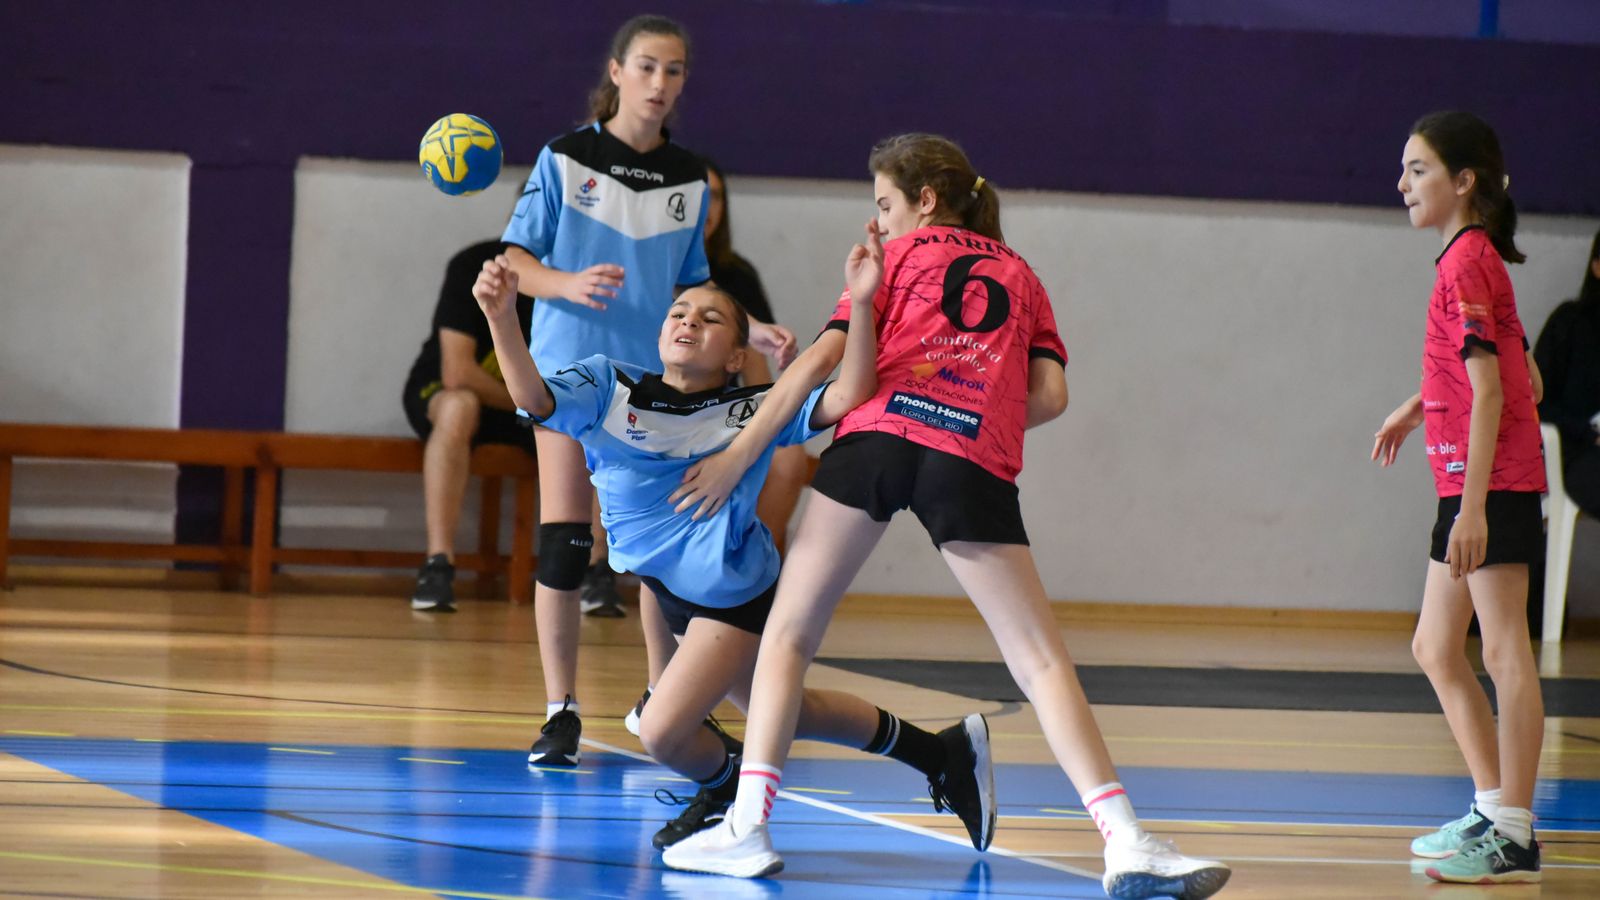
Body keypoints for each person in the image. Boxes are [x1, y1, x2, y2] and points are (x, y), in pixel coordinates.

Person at [662, 134, 1230, 899]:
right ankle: (1126, 841)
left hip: (877, 441)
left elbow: (813, 369)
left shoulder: (892, 263)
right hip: (969, 455)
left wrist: (738, 456)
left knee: (790, 637)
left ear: (925, 201)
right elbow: (1052, 397)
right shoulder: (1023, 274)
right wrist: (976, 411)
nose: (881, 221)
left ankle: (748, 829)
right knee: (1039, 661)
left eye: (885, 205)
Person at [472, 249, 995, 854]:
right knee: (792, 713)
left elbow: (851, 391)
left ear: (737, 355)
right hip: (668, 593)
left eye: (711, 319)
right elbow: (535, 399)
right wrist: (503, 317)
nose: (688, 321)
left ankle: (728, 790)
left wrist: (865, 301)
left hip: (732, 598)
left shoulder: (754, 410)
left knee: (664, 733)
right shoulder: (605, 385)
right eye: (679, 311)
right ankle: (943, 754)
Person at [497, 15, 796, 765]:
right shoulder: (566, 159)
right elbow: (513, 261)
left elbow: (694, 279)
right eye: (648, 68)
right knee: (566, 542)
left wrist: (751, 329)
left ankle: (662, 696)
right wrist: (565, 283)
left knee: (659, 557)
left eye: (675, 71)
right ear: (617, 72)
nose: (661, 84)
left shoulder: (689, 176)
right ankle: (560, 709)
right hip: (571, 372)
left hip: (654, 387)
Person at [1371, 111, 1546, 884]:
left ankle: (1514, 830)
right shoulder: (1467, 262)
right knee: (1435, 648)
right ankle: (1488, 804)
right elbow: (1522, 374)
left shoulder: (1467, 263)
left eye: (1418, 169)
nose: (1402, 184)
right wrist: (1421, 403)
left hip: (1490, 489)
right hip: (1464, 483)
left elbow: (1495, 392)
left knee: (1505, 651)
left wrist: (1473, 508)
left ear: (1463, 180)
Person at [401, 239, 535, 612]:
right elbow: (457, 372)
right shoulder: (476, 265)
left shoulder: (577, 276)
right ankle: (438, 564)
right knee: (459, 407)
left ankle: (595, 570)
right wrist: (534, 404)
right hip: (456, 390)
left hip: (529, 404)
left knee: (592, 421)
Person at [702, 155, 811, 558]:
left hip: (724, 413)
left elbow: (755, 366)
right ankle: (600, 570)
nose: (706, 207)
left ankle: (751, 565)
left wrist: (768, 422)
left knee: (787, 458)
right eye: (696, 195)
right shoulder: (650, 266)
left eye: (714, 197)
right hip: (662, 408)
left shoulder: (737, 275)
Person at [1533, 227, 1600, 518]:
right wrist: (1587, 432)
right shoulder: (1570, 322)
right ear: (1597, 266)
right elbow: (1536, 399)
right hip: (1578, 451)